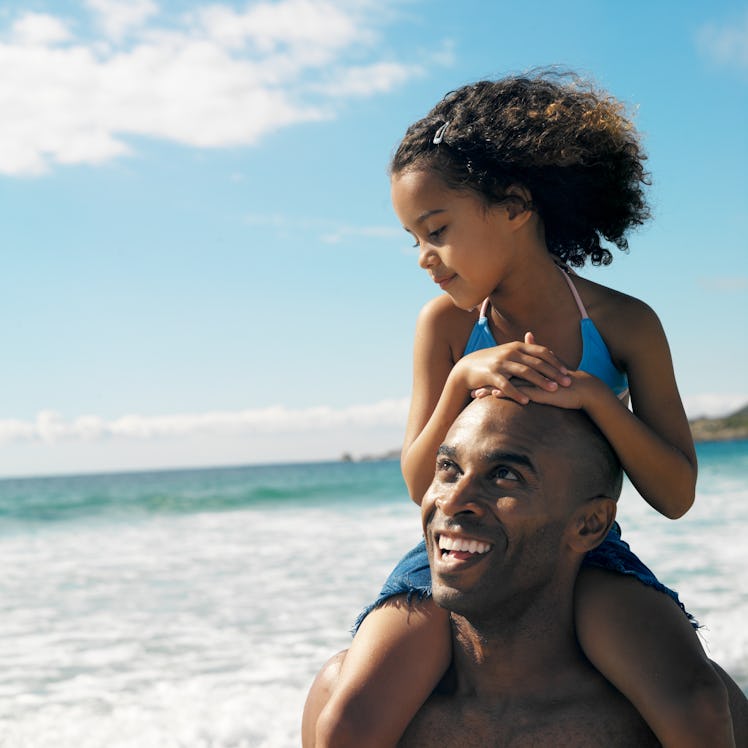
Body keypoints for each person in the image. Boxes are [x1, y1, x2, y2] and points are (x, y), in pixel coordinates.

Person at [313, 70, 735, 747]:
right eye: (413, 239)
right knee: (349, 716)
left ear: (514, 208)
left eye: (437, 229)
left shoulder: (625, 325)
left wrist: (595, 397)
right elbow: (422, 486)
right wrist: (463, 381)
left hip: (582, 552)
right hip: (453, 552)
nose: (424, 257)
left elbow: (676, 493)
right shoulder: (445, 328)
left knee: (695, 703)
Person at [302, 398, 748, 746]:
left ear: (589, 524)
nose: (453, 501)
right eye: (448, 468)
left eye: (505, 476)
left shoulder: (670, 714)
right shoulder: (350, 699)